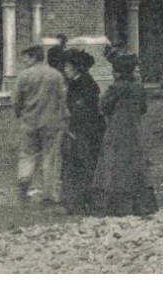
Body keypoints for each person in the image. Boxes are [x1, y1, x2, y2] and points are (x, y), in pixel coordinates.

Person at [92, 51, 158, 218]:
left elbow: (103, 106)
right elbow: (143, 108)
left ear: (117, 72)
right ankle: (142, 205)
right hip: (134, 131)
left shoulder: (116, 88)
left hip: (116, 131)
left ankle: (118, 207)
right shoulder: (138, 87)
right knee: (136, 168)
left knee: (116, 168)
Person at [13, 43, 67, 204]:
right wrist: (63, 116)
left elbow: (16, 100)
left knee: (27, 155)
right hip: (51, 122)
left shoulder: (24, 76)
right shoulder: (56, 75)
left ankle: (24, 183)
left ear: (33, 57)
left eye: (26, 57)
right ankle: (48, 195)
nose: (24, 60)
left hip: (29, 121)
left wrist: (19, 113)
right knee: (50, 157)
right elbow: (61, 99)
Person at [61, 49, 105, 215]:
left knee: (85, 166)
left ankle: (87, 203)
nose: (65, 69)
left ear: (76, 67)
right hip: (78, 130)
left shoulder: (87, 84)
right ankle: (76, 202)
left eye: (67, 66)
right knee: (76, 166)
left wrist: (74, 129)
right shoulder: (75, 83)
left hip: (87, 131)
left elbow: (84, 110)